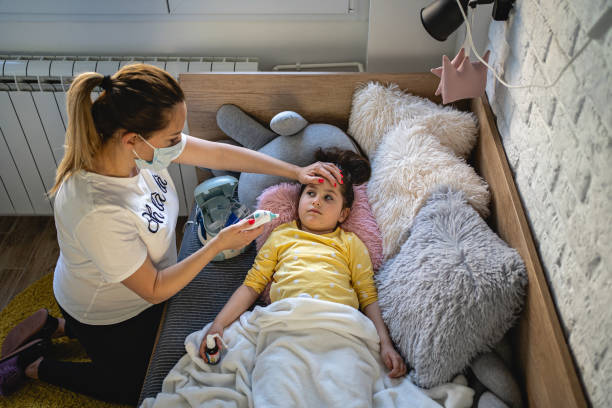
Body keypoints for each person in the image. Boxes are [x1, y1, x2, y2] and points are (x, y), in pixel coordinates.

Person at [0, 64, 341, 404]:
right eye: (173, 138)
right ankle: (35, 364)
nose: (178, 145)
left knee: (145, 339)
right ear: (132, 140)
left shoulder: (142, 150)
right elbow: (153, 288)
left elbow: (218, 152)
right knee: (134, 387)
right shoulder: (96, 209)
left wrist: (296, 170)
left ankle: (56, 327)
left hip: (138, 289)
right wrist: (218, 244)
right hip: (108, 311)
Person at [200, 148, 407, 379]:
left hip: (338, 326)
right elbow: (252, 286)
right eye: (311, 193)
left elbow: (368, 296)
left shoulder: (351, 243)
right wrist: (218, 325)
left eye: (328, 197)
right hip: (287, 321)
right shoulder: (280, 236)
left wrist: (386, 344)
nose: (316, 201)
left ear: (343, 213)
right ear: (299, 200)